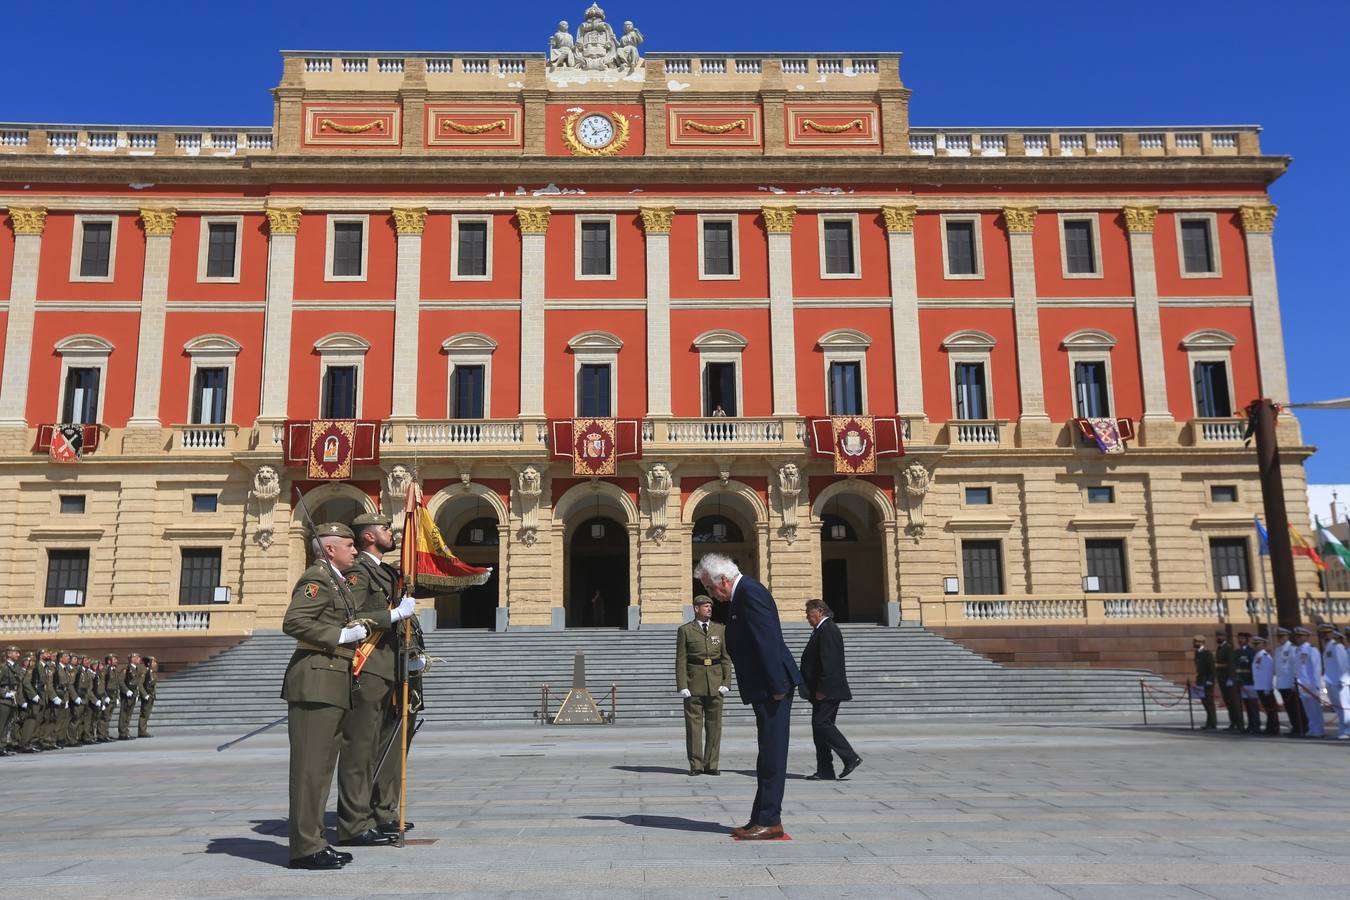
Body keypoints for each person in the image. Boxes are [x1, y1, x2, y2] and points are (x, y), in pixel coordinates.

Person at [281, 522, 400, 870]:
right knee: (310, 772)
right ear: (330, 548)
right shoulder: (316, 579)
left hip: (333, 681)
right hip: (316, 681)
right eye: (348, 545)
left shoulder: (336, 581)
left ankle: (314, 841)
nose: (354, 550)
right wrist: (341, 634)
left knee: (319, 772)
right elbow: (294, 622)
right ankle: (305, 848)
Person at [695, 553, 801, 841]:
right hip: (766, 686)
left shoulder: (750, 593)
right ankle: (760, 817)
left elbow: (767, 640)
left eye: (709, 588)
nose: (710, 595)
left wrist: (777, 686)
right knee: (766, 753)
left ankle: (770, 820)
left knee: (773, 755)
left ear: (724, 581)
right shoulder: (743, 594)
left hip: (772, 687)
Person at [339, 513, 417, 844]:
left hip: (392, 666)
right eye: (385, 529)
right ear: (369, 536)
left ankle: (383, 812)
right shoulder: (358, 572)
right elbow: (349, 616)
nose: (391, 532)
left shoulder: (385, 571)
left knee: (388, 743)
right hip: (369, 666)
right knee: (362, 746)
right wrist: (393, 614)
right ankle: (355, 821)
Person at [800, 599, 862, 781]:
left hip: (828, 690)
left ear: (819, 611)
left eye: (808, 612)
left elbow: (830, 662)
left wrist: (823, 688)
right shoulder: (821, 630)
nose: (806, 616)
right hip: (821, 689)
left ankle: (850, 757)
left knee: (821, 724)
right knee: (819, 729)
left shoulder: (828, 629)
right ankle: (825, 770)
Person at [676, 595, 731, 776]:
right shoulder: (686, 630)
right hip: (693, 682)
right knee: (694, 727)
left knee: (715, 726)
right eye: (705, 606)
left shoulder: (720, 629)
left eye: (710, 606)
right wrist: (682, 684)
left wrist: (726, 682)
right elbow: (681, 659)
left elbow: (725, 657)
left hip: (715, 683)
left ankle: (711, 764)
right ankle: (696, 765)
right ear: (696, 609)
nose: (709, 609)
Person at [1318, 625, 1350, 740]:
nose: (1325, 635)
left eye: (1327, 633)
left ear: (1332, 633)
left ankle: (1347, 731)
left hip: (1338, 682)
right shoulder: (1327, 646)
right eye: (1323, 633)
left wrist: (1343, 680)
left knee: (1344, 708)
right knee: (1338, 709)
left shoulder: (1337, 647)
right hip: (1330, 681)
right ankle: (1343, 730)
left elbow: (1343, 665)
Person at [1293, 627, 1325, 738]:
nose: (1298, 638)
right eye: (1297, 636)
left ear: (1307, 637)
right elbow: (1297, 668)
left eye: (1300, 636)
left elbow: (1316, 668)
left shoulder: (1312, 650)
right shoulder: (1297, 650)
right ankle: (1312, 728)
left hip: (1311, 684)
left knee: (1315, 709)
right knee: (1308, 709)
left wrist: (1316, 685)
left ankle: (1319, 730)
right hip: (1302, 684)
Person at [1274, 627, 1305, 736]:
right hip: (1282, 683)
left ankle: (1301, 727)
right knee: (1289, 708)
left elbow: (1295, 666)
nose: (1280, 638)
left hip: (1290, 683)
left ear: (1287, 636)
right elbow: (1278, 668)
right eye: (1278, 636)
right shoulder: (1278, 650)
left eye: (1282, 636)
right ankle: (1294, 727)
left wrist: (1295, 681)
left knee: (1296, 707)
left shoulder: (1292, 648)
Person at [1250, 635, 1280, 735]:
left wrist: (1267, 688)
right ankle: (1270, 727)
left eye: (1257, 644)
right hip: (1259, 686)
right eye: (1254, 644)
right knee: (1268, 709)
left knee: (1271, 709)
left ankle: (1274, 728)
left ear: (1263, 644)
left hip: (1265, 687)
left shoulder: (1265, 656)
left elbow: (1268, 673)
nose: (1255, 646)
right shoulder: (1257, 655)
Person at [1214, 630, 1243, 732]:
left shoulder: (1228, 648)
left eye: (1220, 636)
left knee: (1234, 702)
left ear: (1225, 637)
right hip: (1222, 678)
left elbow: (1231, 664)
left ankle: (1239, 724)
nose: (1218, 638)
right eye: (1217, 636)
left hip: (1228, 678)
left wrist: (1230, 678)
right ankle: (1233, 722)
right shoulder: (1219, 648)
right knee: (1228, 702)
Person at [1235, 633, 1260, 735]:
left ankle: (1256, 725)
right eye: (1239, 638)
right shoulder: (1236, 652)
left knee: (1253, 706)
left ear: (1247, 640)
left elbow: (1253, 667)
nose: (1240, 640)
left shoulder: (1251, 652)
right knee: (1247, 706)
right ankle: (1250, 725)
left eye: (1243, 639)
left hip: (1250, 681)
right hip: (1240, 682)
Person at [117, 652, 145, 740]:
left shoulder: (136, 669)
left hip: (133, 694)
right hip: (127, 695)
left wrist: (137, 694)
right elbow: (121, 681)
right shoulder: (126, 669)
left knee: (128, 715)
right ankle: (122, 733)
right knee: (124, 714)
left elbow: (137, 683)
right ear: (132, 659)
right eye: (137, 658)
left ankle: (126, 732)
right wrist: (126, 691)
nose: (139, 659)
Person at [1193, 634, 1217, 730]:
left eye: (1196, 642)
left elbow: (1212, 669)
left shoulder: (1207, 653)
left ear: (1201, 643)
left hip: (1207, 680)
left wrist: (1210, 680)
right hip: (1201, 680)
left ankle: (1213, 723)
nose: (1194, 643)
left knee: (1209, 702)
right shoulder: (1197, 653)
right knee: (1204, 702)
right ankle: (1209, 722)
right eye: (1194, 642)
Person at [0, 645, 19, 755]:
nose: (18, 655)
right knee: (1, 724)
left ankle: (2, 746)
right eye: (15, 652)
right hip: (3, 700)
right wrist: (4, 693)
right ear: (8, 654)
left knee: (8, 725)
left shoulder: (15, 667)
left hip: (12, 699)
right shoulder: (3, 667)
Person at [139, 656, 158, 738]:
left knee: (147, 714)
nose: (155, 664)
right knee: (144, 714)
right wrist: (144, 694)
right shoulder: (145, 671)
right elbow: (140, 684)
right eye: (153, 662)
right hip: (147, 695)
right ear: (149, 663)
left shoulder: (152, 672)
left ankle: (143, 730)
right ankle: (142, 731)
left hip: (151, 695)